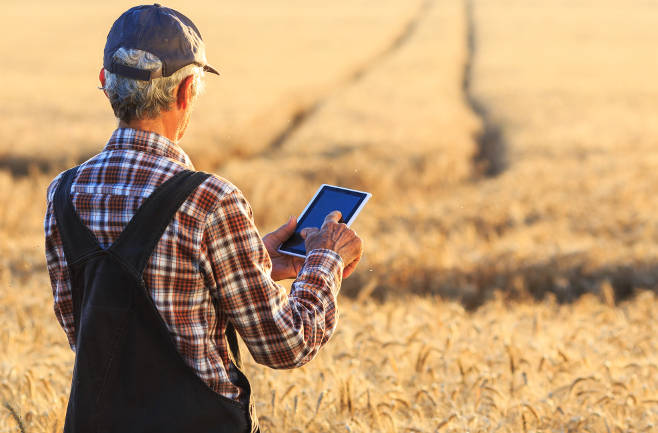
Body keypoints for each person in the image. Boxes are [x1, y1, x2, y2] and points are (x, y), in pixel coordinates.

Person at [43, 4, 363, 433]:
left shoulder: (63, 192)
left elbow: (85, 328)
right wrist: (326, 260)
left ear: (105, 84)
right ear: (186, 90)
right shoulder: (211, 201)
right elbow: (284, 345)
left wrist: (252, 260)